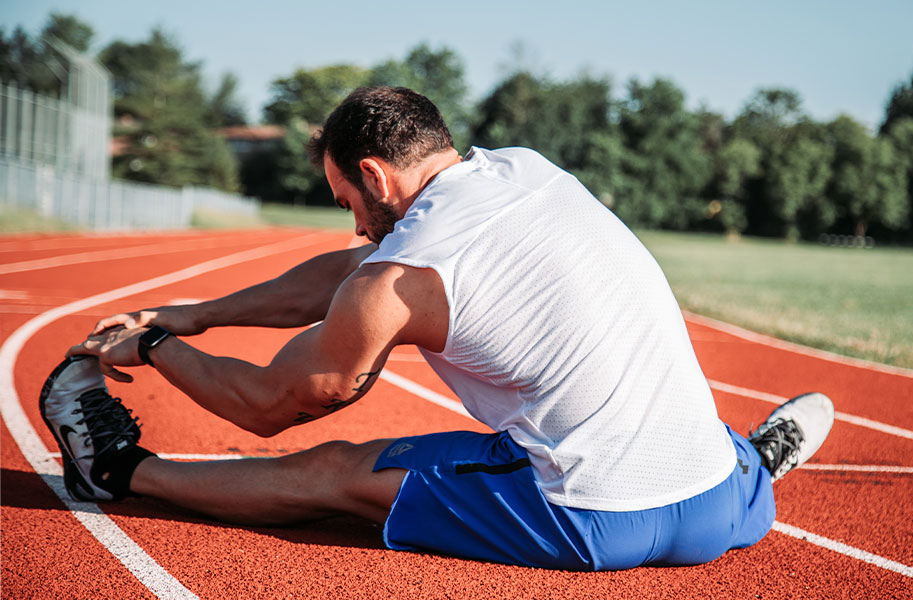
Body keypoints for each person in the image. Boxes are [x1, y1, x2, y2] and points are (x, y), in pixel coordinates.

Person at [40, 86, 834, 571]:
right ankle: (754, 466)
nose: (352, 225)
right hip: (715, 508)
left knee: (332, 473)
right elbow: (352, 274)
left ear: (377, 177)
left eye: (347, 202)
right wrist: (196, 314)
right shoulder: (524, 170)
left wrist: (154, 345)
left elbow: (270, 403)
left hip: (590, 515)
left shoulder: (396, 278)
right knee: (656, 398)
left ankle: (116, 472)